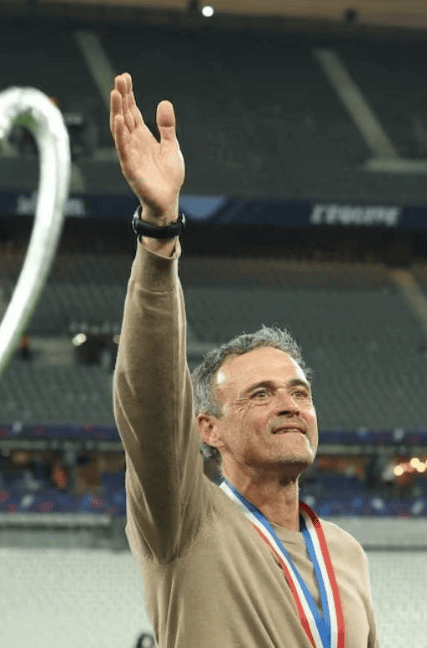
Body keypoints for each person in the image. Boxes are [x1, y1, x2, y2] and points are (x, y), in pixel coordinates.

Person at [110, 72, 378, 647]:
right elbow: (151, 402)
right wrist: (159, 234)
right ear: (208, 428)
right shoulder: (183, 521)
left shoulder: (345, 553)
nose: (290, 404)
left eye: (299, 392)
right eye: (261, 394)